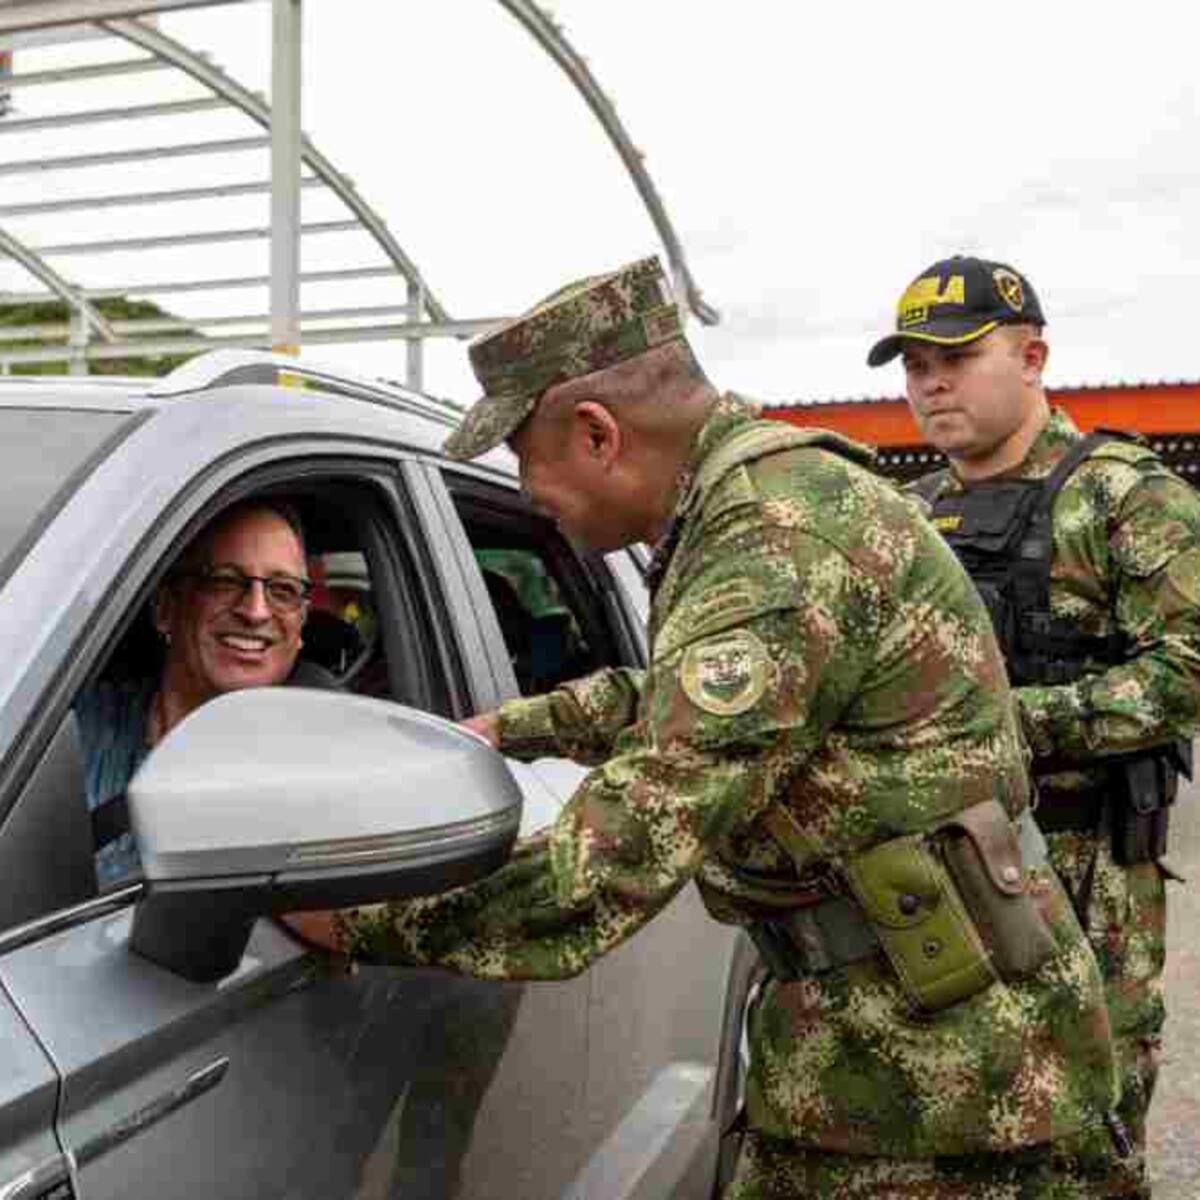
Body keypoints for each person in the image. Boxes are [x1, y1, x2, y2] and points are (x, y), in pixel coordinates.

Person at [300, 255, 1124, 1196]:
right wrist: (513, 726)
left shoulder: (773, 543)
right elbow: (685, 693)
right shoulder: (749, 511)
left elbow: (610, 862)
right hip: (882, 1047)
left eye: (527, 464)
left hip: (952, 1099)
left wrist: (348, 917)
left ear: (598, 434)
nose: (532, 496)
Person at [868, 254, 1200, 1196]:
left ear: (1032, 355)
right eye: (913, 364)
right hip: (935, 881)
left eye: (955, 356)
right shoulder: (909, 516)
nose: (929, 382)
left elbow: (1191, 665)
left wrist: (1014, 723)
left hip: (1085, 875)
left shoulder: (1123, 495)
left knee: (1082, 1139)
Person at [77, 498, 316, 884]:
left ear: (301, 625)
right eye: (225, 580)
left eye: (283, 590)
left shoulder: (324, 766)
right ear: (166, 607)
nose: (255, 611)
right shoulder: (75, 730)